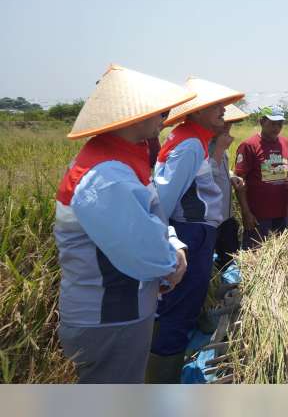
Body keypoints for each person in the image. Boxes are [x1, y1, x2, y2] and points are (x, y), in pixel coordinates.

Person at [54, 64, 192, 383]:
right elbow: (143, 253)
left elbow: (149, 218)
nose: (165, 118)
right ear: (137, 114)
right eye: (161, 111)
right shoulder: (107, 178)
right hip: (110, 316)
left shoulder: (121, 161)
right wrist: (173, 260)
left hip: (122, 311)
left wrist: (172, 244)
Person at [146, 77, 244, 383]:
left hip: (198, 232)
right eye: (216, 106)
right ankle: (163, 380)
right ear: (197, 111)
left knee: (187, 303)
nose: (224, 111)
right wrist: (170, 242)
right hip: (189, 233)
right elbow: (162, 200)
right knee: (178, 308)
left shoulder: (196, 140)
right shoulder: (189, 144)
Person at [234, 105, 288, 247]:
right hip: (258, 215)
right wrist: (246, 213)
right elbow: (239, 182)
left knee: (279, 256)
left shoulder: (285, 143)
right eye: (272, 123)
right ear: (261, 122)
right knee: (255, 258)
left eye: (280, 124)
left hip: (282, 212)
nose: (276, 128)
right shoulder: (249, 145)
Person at [210, 104, 249, 271]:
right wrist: (219, 148)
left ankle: (227, 291)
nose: (228, 126)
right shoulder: (204, 145)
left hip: (226, 217)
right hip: (211, 219)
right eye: (224, 122)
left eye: (230, 123)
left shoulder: (221, 145)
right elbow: (203, 176)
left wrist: (232, 175)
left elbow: (221, 170)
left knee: (229, 260)